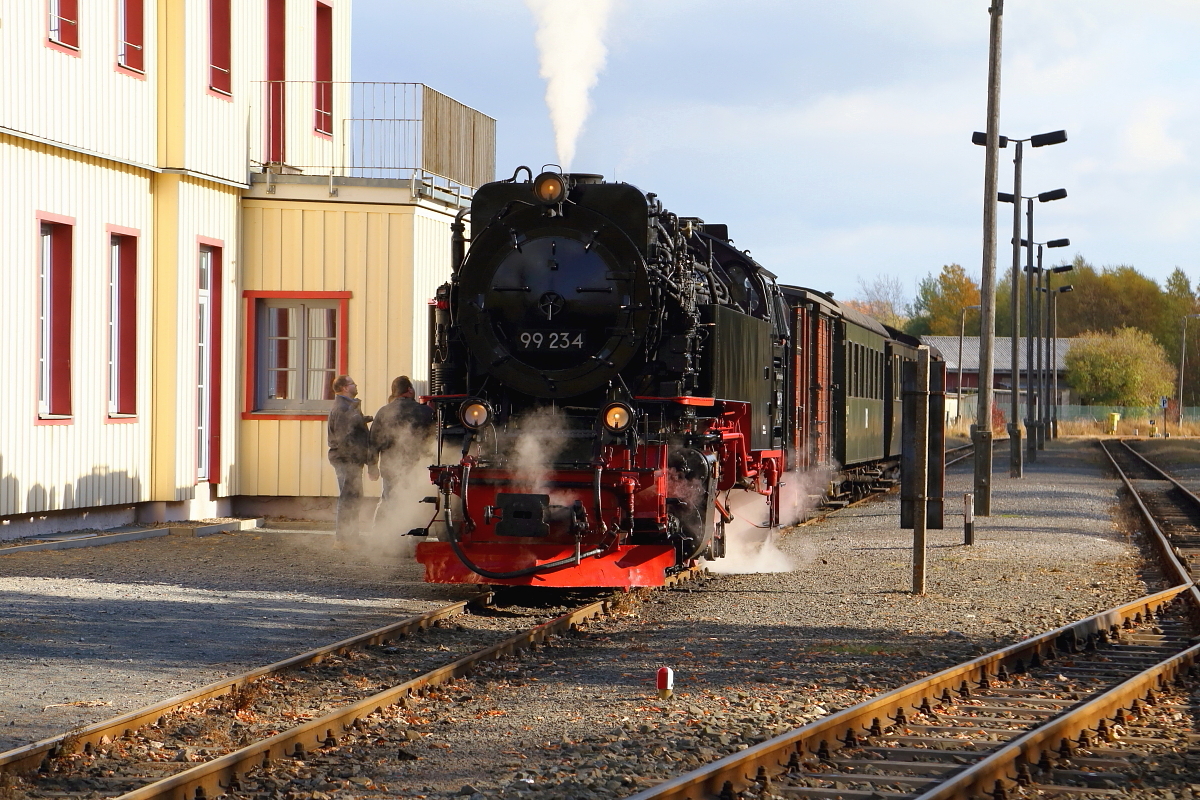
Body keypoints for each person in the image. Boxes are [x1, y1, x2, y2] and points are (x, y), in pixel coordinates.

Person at [369, 376, 436, 519]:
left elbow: (374, 441)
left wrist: (372, 467)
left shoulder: (383, 412)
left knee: (389, 501)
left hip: (390, 466)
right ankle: (411, 537)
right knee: (414, 502)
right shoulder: (425, 412)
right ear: (410, 390)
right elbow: (434, 441)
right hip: (417, 466)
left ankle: (382, 535)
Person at [327, 375, 376, 544]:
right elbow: (344, 437)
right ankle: (343, 539)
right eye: (352, 383)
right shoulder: (342, 408)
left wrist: (364, 420)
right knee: (349, 497)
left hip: (351, 459)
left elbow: (351, 426)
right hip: (347, 459)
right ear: (344, 388)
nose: (356, 385)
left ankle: (352, 536)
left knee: (354, 497)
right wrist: (357, 459)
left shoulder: (348, 407)